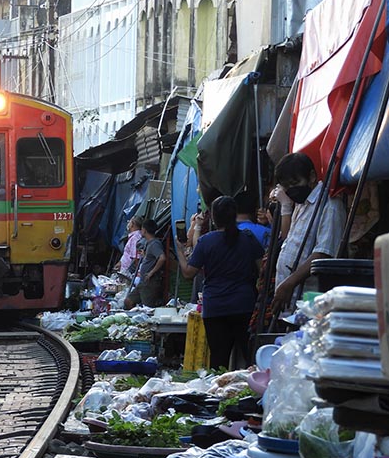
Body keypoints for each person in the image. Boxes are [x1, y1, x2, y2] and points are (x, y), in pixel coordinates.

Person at [175, 196, 265, 369]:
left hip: (215, 307)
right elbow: (263, 270)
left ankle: (220, 391)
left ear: (214, 218)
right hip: (244, 304)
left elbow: (188, 273)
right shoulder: (248, 239)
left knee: (218, 360)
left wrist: (180, 250)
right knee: (251, 360)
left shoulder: (206, 241)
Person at [270, 153, 346, 314]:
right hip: (291, 298)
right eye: (286, 186)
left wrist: (290, 282)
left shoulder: (329, 204)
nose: (292, 190)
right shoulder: (301, 203)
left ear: (311, 176)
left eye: (295, 183)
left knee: (308, 332)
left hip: (312, 296)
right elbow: (288, 239)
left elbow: (323, 253)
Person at [124, 219, 166, 309]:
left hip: (150, 282)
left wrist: (151, 272)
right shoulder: (148, 243)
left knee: (147, 308)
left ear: (144, 230)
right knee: (128, 301)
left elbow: (162, 258)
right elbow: (151, 258)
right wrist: (145, 255)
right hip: (143, 281)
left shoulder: (155, 244)